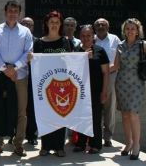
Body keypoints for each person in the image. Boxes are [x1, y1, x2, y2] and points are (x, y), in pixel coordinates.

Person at [112, 18, 146, 160]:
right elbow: (115, 66)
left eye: (133, 29)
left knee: (133, 114)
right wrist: (95, 66)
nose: (130, 31)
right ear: (124, 30)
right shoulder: (120, 45)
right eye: (127, 29)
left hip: (136, 84)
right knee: (124, 114)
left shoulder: (142, 44)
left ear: (137, 31)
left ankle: (136, 144)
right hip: (121, 83)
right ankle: (128, 143)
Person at [0, 0, 33, 157]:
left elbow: (29, 52)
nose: (12, 13)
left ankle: (18, 144)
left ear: (19, 13)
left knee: (21, 111)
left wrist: (15, 68)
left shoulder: (26, 32)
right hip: (0, 75)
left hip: (20, 76)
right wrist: (5, 69)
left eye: (15, 11)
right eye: (10, 10)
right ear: (5, 12)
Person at [33, 10, 71, 158]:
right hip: (44, 85)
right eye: (51, 22)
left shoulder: (65, 42)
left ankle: (59, 147)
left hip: (62, 85)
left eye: (57, 22)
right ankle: (46, 146)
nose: (54, 24)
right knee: (46, 116)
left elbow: (71, 61)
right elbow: (36, 64)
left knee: (60, 115)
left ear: (60, 24)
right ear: (46, 24)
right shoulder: (39, 42)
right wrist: (31, 58)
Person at [73, 25, 109, 154]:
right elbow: (71, 71)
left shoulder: (100, 51)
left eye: (88, 35)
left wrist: (104, 91)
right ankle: (81, 143)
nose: (86, 38)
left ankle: (95, 144)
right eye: (83, 35)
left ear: (93, 36)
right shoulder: (75, 51)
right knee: (81, 117)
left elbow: (105, 72)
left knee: (95, 118)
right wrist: (83, 57)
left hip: (95, 90)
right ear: (80, 37)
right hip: (80, 91)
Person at [93, 18, 121, 147]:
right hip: (93, 79)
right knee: (94, 107)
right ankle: (94, 136)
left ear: (108, 27)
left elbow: (118, 61)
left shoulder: (115, 39)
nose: (100, 26)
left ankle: (108, 137)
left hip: (110, 76)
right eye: (98, 24)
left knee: (109, 108)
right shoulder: (91, 39)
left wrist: (104, 72)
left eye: (103, 24)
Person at [20, 17, 38, 146]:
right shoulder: (17, 40)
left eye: (29, 24)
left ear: (33, 27)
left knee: (32, 108)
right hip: (19, 77)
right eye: (24, 24)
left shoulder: (38, 42)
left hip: (34, 79)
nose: (27, 26)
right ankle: (16, 134)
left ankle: (32, 135)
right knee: (18, 108)